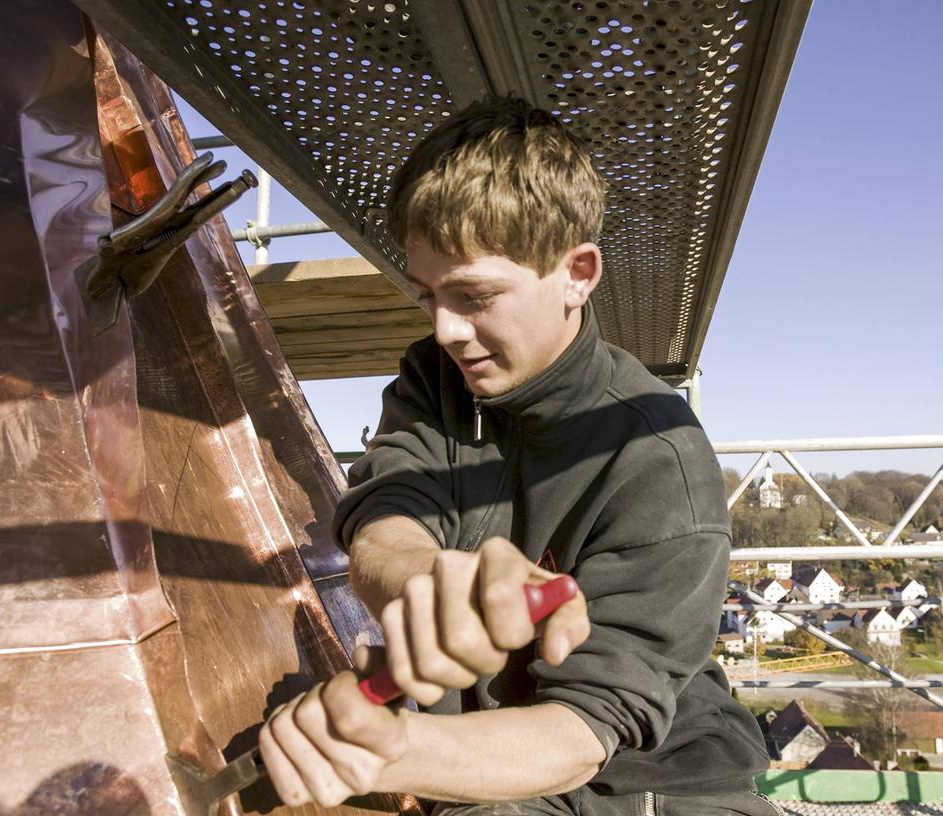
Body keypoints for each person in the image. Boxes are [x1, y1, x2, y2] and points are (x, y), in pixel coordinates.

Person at [258, 97, 774, 816]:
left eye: (475, 296)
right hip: (477, 770)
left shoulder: (662, 461)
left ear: (578, 273)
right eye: (429, 296)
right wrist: (430, 581)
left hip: (641, 790)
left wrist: (391, 750)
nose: (445, 331)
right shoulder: (434, 380)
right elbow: (386, 518)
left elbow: (582, 735)